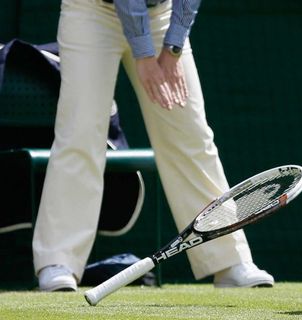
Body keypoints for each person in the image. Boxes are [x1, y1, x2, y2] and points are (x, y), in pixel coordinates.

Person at [33, 0, 273, 291]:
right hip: (90, 11)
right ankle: (59, 261)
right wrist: (144, 54)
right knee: (80, 134)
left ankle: (229, 259)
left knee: (192, 137)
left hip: (161, 14)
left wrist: (173, 48)